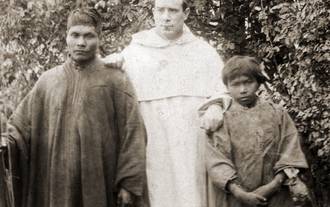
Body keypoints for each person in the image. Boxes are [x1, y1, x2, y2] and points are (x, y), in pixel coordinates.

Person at [2, 8, 147, 207]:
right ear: (66, 37)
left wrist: (129, 184)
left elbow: (134, 133)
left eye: (88, 36)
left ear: (99, 38)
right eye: (75, 35)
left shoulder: (116, 80)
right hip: (56, 185)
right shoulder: (48, 81)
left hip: (100, 183)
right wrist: (7, 144)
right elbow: (19, 129)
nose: (81, 42)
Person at [103, 0, 228, 206]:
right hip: (154, 138)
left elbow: (222, 89)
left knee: (192, 192)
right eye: (160, 10)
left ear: (185, 13)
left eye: (172, 10)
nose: (166, 17)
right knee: (158, 190)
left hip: (190, 140)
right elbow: (111, 74)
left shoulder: (203, 51)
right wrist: (115, 63)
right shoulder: (137, 49)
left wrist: (216, 105)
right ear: (153, 12)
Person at [206, 55, 309, 207]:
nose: (243, 90)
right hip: (236, 198)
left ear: (258, 82)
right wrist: (239, 193)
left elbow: (290, 151)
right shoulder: (221, 120)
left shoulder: (278, 114)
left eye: (248, 82)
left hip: (277, 195)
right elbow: (216, 162)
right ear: (227, 87)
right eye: (235, 84)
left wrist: (272, 186)